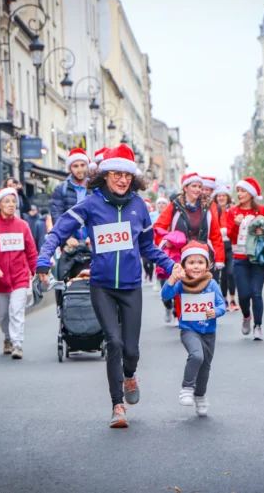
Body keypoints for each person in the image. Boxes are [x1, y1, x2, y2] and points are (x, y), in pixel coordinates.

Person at [36, 144, 185, 428]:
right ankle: (117, 406)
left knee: (131, 351)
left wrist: (171, 265)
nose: (122, 179)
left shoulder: (139, 207)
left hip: (131, 287)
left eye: (127, 175)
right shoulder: (90, 205)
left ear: (133, 178)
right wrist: (44, 261)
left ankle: (130, 375)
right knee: (113, 342)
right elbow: (57, 232)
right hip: (101, 285)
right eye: (116, 174)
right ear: (105, 175)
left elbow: (149, 249)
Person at [160, 241, 226, 417]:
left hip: (209, 332)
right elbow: (165, 295)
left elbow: (222, 305)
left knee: (205, 367)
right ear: (183, 265)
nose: (196, 266)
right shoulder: (181, 283)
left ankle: (200, 395)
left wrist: (215, 312)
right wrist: (172, 279)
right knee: (196, 355)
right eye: (191, 262)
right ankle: (187, 388)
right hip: (188, 329)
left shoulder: (212, 284)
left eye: (200, 262)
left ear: (207, 265)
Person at [0, 187, 38, 360]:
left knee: (16, 310)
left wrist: (36, 269)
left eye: (14, 201)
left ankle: (17, 344)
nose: (11, 205)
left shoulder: (23, 225)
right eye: (7, 201)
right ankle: (7, 337)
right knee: (3, 313)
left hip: (20, 275)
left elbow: (31, 250)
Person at [227, 177, 264, 340]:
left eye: (243, 190)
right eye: (238, 190)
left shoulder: (263, 211)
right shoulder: (232, 212)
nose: (239, 194)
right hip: (240, 258)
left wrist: (263, 232)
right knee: (244, 295)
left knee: (256, 293)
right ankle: (246, 316)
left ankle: (258, 326)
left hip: (259, 259)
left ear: (251, 194)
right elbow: (231, 236)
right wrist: (237, 225)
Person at [153, 173, 225, 273]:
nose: (197, 189)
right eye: (194, 186)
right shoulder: (175, 205)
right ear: (185, 188)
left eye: (200, 186)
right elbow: (158, 227)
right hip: (180, 257)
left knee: (203, 287)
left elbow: (216, 235)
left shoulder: (209, 206)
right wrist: (166, 241)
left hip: (203, 257)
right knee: (180, 287)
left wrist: (219, 260)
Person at [50, 148, 91, 247]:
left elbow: (101, 214)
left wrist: (94, 236)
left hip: (92, 243)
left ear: (87, 166)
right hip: (71, 245)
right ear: (70, 168)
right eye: (75, 166)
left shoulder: (95, 188)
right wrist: (67, 237)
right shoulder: (61, 189)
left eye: (82, 165)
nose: (80, 169)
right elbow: (57, 215)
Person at [210, 185, 238, 310]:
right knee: (222, 274)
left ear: (227, 197)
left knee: (231, 273)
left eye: (224, 195)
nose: (221, 198)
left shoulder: (232, 210)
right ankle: (225, 300)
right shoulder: (213, 210)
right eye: (219, 195)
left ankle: (233, 299)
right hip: (218, 245)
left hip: (231, 245)